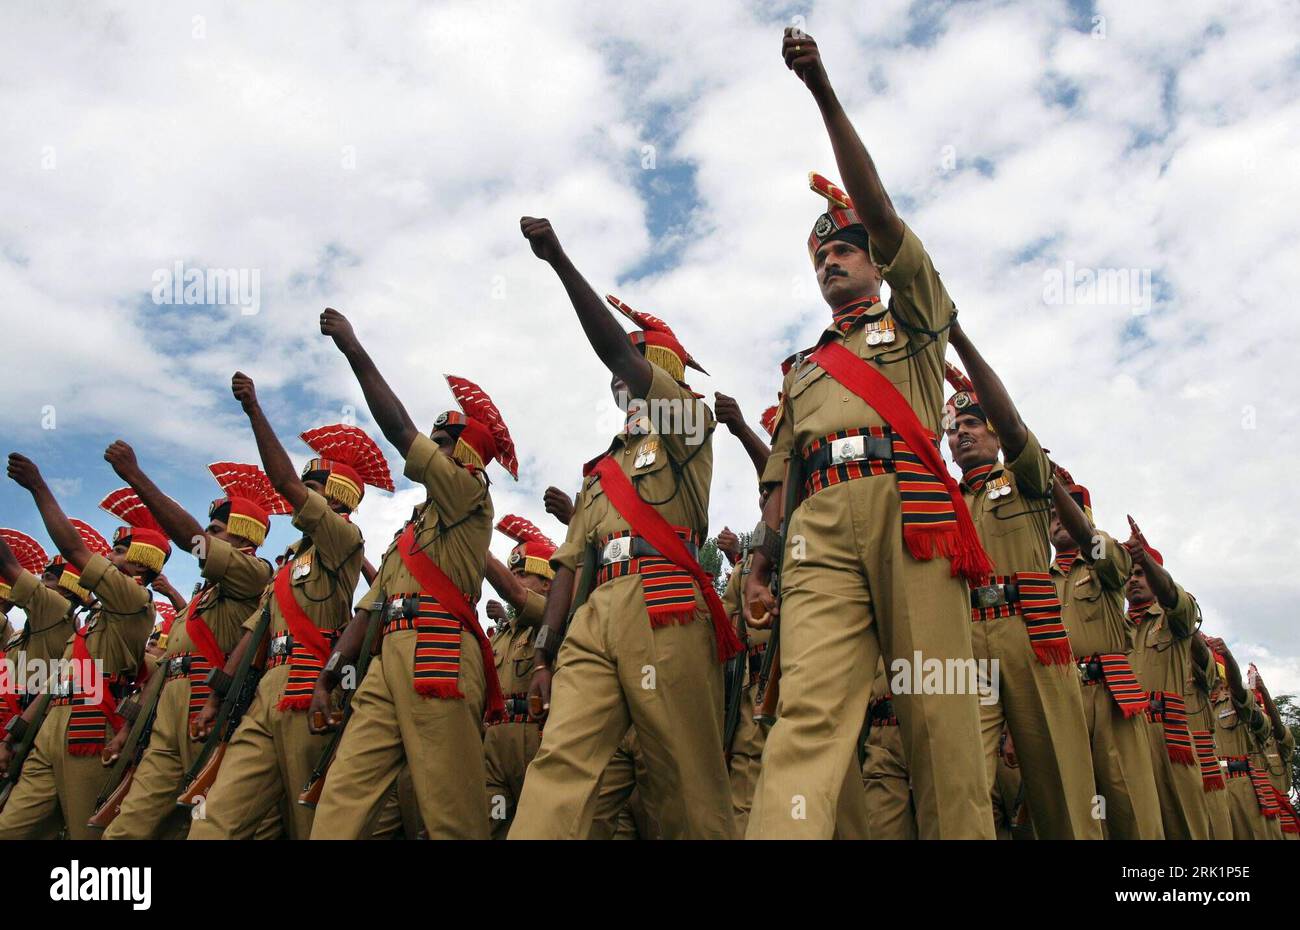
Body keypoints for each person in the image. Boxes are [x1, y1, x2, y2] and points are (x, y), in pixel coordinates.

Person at [743, 28, 994, 839]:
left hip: (909, 510)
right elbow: (779, 479)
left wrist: (822, 92)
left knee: (940, 723)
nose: (832, 261)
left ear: (879, 261)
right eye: (821, 256)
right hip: (819, 529)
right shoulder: (802, 369)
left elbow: (880, 209)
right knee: (806, 719)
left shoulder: (916, 318)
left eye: (847, 248)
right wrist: (759, 561)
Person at [507, 239, 739, 839]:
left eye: (634, 367)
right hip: (594, 618)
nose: (621, 378)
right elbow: (565, 567)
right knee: (558, 769)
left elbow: (614, 347)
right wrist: (543, 652)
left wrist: (560, 260)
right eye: (620, 374)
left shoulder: (691, 422)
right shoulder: (598, 472)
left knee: (687, 784)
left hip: (663, 605)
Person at [309, 307, 514, 840]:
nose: (432, 448)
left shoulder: (470, 493)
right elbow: (369, 607)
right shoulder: (411, 530)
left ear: (465, 455)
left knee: (452, 812)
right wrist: (331, 671)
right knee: (345, 792)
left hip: (438, 650)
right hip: (387, 659)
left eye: (443, 443)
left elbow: (398, 430)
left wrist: (354, 349)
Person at [188, 373, 390, 839]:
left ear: (334, 497)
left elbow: (280, 479)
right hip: (263, 694)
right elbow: (252, 634)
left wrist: (255, 410)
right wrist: (218, 695)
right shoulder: (286, 565)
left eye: (309, 487)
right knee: (213, 821)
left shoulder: (344, 538)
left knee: (310, 823)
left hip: (309, 685)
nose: (297, 491)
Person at [101, 452, 284, 840]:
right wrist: (129, 726)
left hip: (210, 708)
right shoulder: (203, 596)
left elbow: (193, 543)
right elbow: (167, 663)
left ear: (243, 536)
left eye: (217, 529)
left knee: (207, 826)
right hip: (169, 712)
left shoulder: (254, 573)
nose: (208, 534)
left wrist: (137, 477)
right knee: (127, 828)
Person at [0, 457, 156, 839]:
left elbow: (72, 548)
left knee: (87, 835)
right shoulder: (96, 617)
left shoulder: (132, 599)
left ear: (140, 567)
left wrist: (39, 487)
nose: (108, 556)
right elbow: (56, 680)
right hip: (52, 724)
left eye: (118, 552)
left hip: (89, 728)